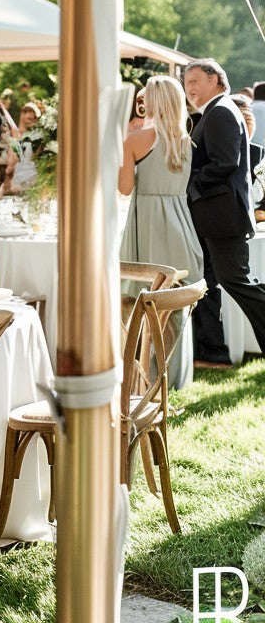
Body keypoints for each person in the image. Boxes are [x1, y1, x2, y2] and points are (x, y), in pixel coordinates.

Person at [119, 75, 204, 386]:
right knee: (174, 307)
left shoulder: (135, 140)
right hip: (180, 225)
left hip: (147, 225)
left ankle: (142, 378)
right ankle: (173, 378)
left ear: (152, 102)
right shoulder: (186, 141)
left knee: (136, 303)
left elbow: (124, 188)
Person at [183, 58, 265, 368]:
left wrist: (190, 185)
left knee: (236, 282)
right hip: (216, 216)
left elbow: (225, 162)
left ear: (217, 79)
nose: (189, 87)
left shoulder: (219, 112)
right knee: (218, 282)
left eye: (195, 80)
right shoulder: (213, 112)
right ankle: (210, 351)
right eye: (186, 82)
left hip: (223, 216)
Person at [0, 101, 42, 196]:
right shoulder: (17, 138)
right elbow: (10, 165)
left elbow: (10, 166)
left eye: (31, 118)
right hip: (20, 183)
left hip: (31, 183)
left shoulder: (37, 138)